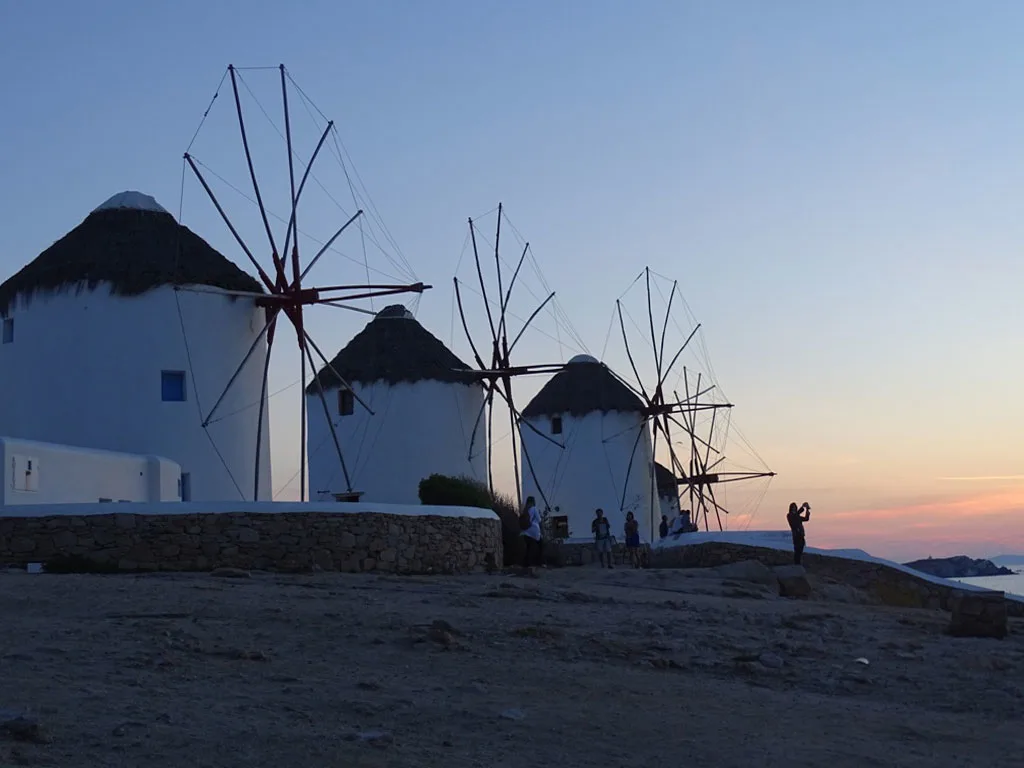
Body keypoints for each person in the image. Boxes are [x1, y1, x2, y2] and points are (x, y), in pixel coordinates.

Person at [519, 495, 542, 568]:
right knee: (541, 545)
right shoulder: (534, 509)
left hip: (525, 532)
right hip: (534, 532)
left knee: (528, 548)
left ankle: (526, 564)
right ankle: (540, 562)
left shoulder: (525, 510)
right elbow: (539, 520)